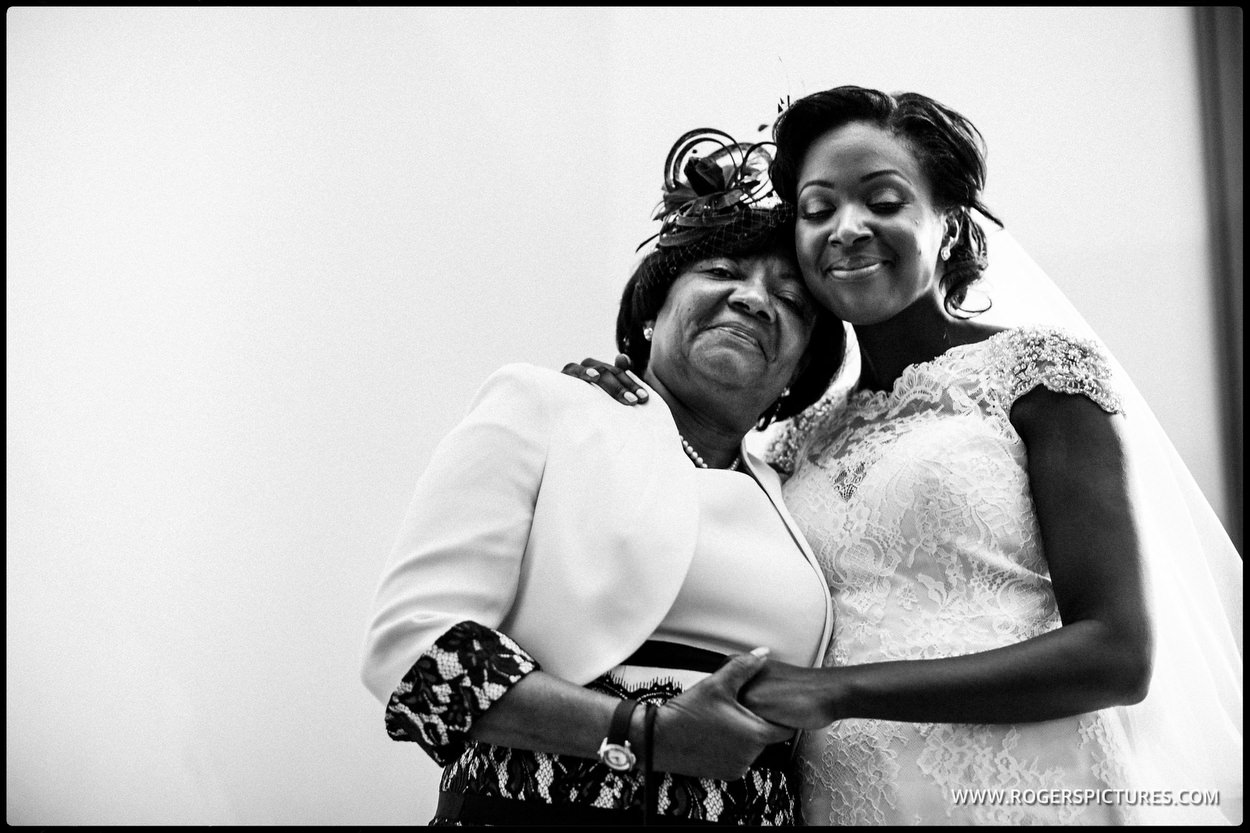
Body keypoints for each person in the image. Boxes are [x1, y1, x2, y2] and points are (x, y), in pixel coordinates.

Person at [568, 86, 1242, 825]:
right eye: (817, 209)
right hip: (851, 796)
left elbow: (1117, 653)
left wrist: (840, 690)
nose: (847, 228)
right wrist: (617, 411)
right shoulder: (799, 439)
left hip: (1021, 786)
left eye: (882, 200)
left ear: (947, 223)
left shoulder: (1039, 377)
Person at [359, 129, 848, 825]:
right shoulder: (546, 407)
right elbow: (412, 651)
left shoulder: (794, 489)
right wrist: (644, 735)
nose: (754, 299)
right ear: (650, 313)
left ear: (799, 372)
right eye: (720, 271)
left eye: (793, 302)